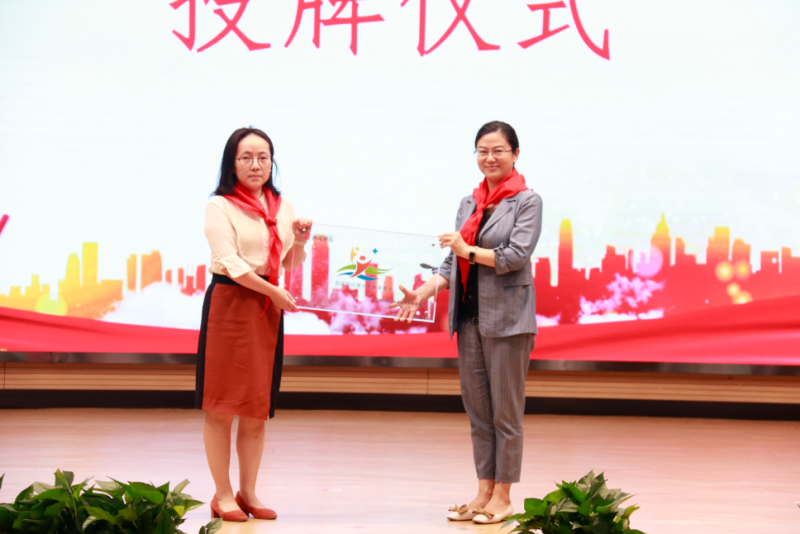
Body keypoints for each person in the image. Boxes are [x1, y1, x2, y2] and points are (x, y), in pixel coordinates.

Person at [393, 121, 542, 525]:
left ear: (515, 154)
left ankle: (504, 497)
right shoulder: (469, 202)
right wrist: (421, 293)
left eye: (498, 150)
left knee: (505, 414)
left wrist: (467, 250)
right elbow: (451, 262)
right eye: (482, 150)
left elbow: (514, 257)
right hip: (470, 318)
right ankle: (483, 491)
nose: (490, 158)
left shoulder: (527, 201)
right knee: (478, 413)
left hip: (508, 322)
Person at [195, 127, 312, 522]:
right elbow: (230, 263)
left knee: (256, 408)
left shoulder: (283, 205)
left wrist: (301, 241)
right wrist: (273, 293)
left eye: (263, 157)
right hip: (231, 305)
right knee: (222, 406)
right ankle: (222, 494)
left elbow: (288, 263)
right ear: (232, 163)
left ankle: (249, 492)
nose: (255, 165)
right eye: (246, 157)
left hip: (266, 306)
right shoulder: (220, 205)